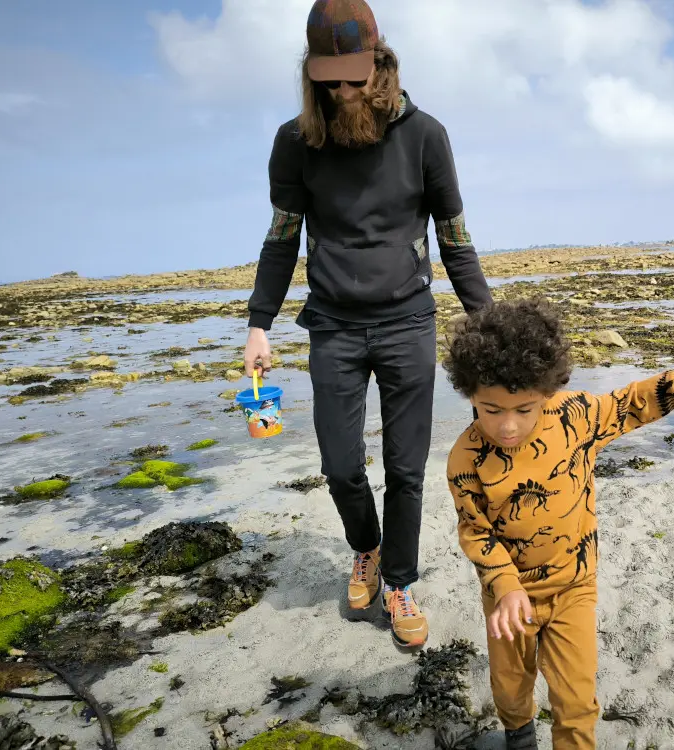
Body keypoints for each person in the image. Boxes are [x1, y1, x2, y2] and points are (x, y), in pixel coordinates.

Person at [243, 0, 492, 649]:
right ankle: (366, 548)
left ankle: (400, 580)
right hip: (332, 325)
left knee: (405, 470)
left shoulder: (426, 135)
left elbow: (456, 238)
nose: (346, 91)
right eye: (332, 80)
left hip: (409, 320)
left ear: (380, 64)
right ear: (314, 75)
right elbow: (280, 239)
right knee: (339, 464)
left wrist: (488, 325)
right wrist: (258, 325)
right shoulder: (295, 144)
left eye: (357, 77)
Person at [443, 298, 674, 749]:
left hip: (573, 586)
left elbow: (627, 404)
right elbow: (475, 531)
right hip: (508, 596)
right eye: (491, 409)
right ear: (469, 394)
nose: (508, 427)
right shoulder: (466, 458)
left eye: (524, 409)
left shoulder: (574, 416)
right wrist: (505, 585)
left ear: (546, 391)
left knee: (576, 699)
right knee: (510, 685)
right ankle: (519, 736)